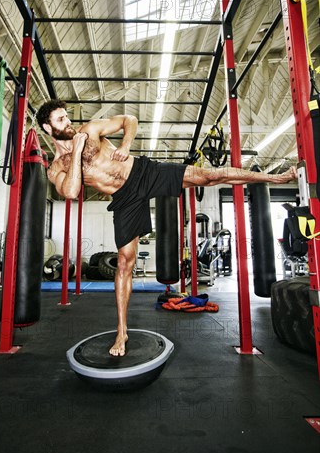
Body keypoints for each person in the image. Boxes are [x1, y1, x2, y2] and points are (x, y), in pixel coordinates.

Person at [36, 100, 297, 356]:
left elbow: (130, 120)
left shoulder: (90, 129)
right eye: (60, 120)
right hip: (124, 199)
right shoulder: (58, 167)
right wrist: (77, 151)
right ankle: (122, 331)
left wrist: (126, 146)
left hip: (142, 172)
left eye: (66, 117)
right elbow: (70, 192)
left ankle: (275, 177)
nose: (68, 123)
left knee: (208, 176)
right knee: (125, 263)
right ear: (48, 129)